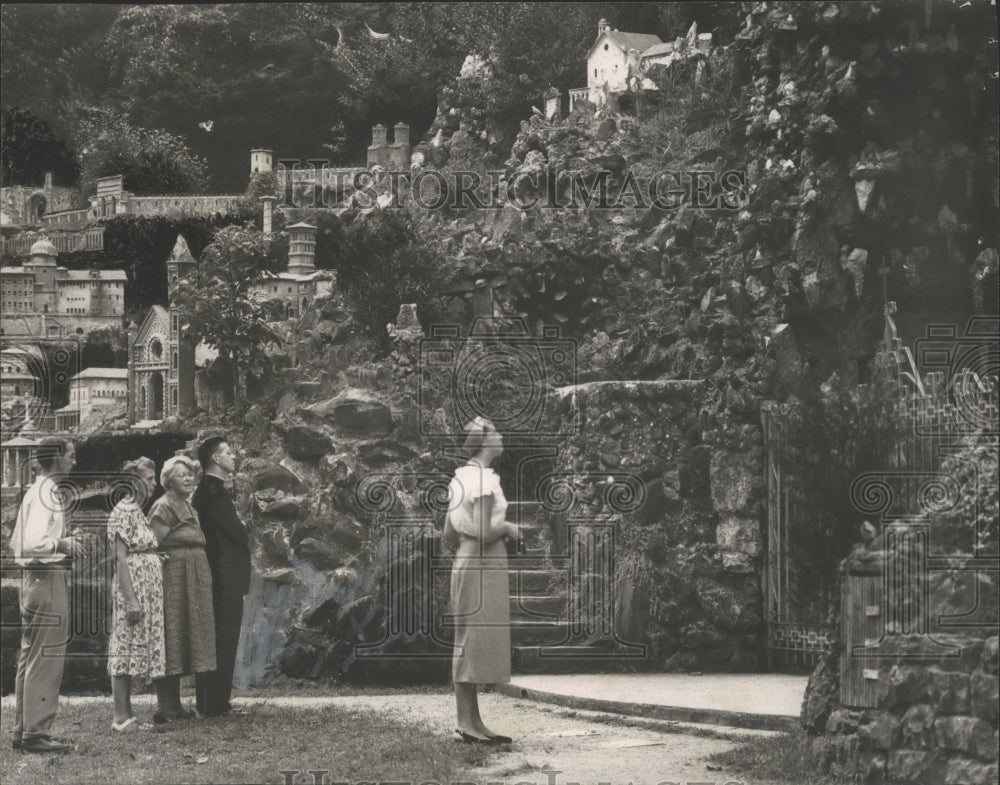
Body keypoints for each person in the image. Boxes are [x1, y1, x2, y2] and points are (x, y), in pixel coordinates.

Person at [445, 417, 526, 744]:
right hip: (481, 560)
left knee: (473, 640)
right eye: (495, 432)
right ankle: (466, 723)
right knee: (471, 640)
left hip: (471, 559)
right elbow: (481, 532)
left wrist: (468, 546)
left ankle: (473, 721)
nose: (501, 436)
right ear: (484, 440)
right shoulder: (481, 480)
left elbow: (448, 532)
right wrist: (509, 529)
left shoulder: (463, 477)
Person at [10, 436, 82, 753]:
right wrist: (61, 544)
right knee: (46, 655)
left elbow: (17, 543)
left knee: (30, 655)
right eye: (71, 456)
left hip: (32, 579)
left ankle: (24, 728)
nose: (74, 462)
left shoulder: (34, 492)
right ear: (56, 458)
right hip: (45, 576)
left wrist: (59, 542)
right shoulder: (45, 494)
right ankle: (36, 733)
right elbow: (30, 544)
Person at [148, 455, 216, 723]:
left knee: (189, 634)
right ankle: (167, 705)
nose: (188, 478)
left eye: (190, 474)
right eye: (181, 475)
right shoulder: (163, 507)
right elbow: (151, 544)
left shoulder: (187, 505)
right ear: (167, 481)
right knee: (172, 634)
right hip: (174, 576)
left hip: (194, 576)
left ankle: (175, 707)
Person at [192, 436, 250, 717]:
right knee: (223, 638)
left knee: (218, 638)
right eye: (228, 452)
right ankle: (215, 703)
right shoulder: (213, 492)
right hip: (223, 576)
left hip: (219, 573)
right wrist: (244, 527)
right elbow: (236, 532)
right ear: (215, 458)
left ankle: (211, 701)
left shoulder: (210, 490)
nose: (233, 456)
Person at [106, 457, 165, 731]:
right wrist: (130, 599)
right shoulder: (125, 510)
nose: (154, 484)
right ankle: (120, 716)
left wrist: (153, 558)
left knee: (131, 647)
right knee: (123, 646)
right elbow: (120, 558)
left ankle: (127, 715)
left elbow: (138, 548)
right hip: (132, 589)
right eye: (150, 479)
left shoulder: (137, 511)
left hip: (143, 586)